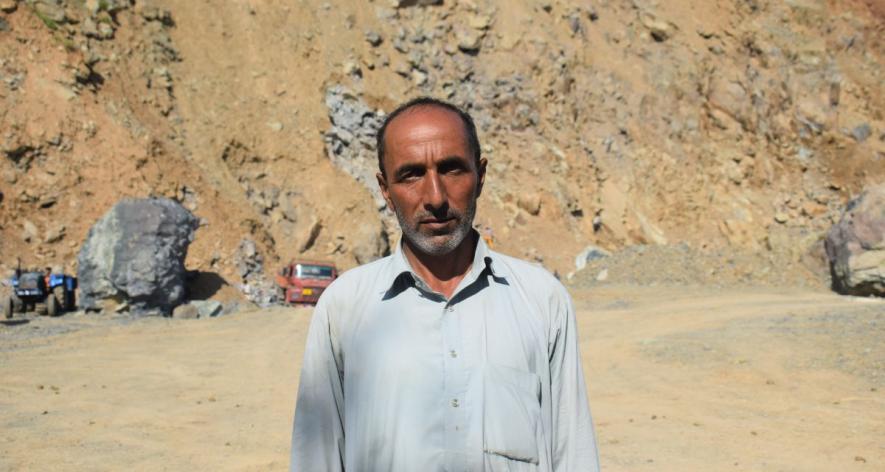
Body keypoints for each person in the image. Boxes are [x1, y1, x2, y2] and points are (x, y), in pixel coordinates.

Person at [291, 97, 599, 471]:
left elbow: (573, 453)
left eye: (452, 170)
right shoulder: (344, 307)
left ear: (480, 176)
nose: (435, 197)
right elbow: (316, 458)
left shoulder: (542, 300)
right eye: (411, 175)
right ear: (385, 189)